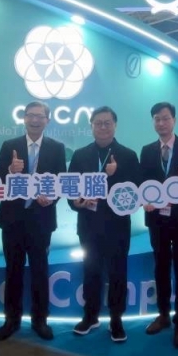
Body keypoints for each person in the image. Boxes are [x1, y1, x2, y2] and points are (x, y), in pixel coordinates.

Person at [0, 101, 66, 342]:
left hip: (41, 220)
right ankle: (11, 320)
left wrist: (51, 198)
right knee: (12, 270)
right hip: (12, 220)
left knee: (39, 271)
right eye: (30, 115)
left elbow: (60, 182)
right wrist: (9, 170)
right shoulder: (9, 146)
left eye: (40, 116)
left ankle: (40, 320)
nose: (35, 120)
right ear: (24, 118)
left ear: (47, 120)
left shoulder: (57, 148)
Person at [69, 106, 141, 343]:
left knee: (118, 273)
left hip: (117, 227)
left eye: (107, 123)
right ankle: (90, 316)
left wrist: (116, 174)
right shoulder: (80, 155)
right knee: (90, 271)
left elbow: (135, 192)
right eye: (98, 123)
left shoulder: (128, 155)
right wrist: (77, 202)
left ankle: (116, 320)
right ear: (91, 126)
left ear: (115, 125)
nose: (102, 127)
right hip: (88, 225)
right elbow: (70, 189)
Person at [139, 102, 178, 349]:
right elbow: (142, 183)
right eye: (157, 119)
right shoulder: (147, 150)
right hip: (158, 219)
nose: (161, 123)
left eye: (165, 118)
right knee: (161, 267)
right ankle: (163, 315)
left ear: (174, 120)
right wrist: (144, 200)